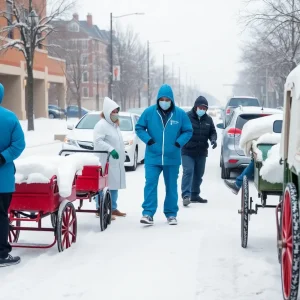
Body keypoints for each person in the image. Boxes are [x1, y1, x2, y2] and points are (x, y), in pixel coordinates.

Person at [135, 84, 193, 225]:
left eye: (167, 99)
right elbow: (139, 127)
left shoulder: (179, 114)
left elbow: (188, 130)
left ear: (172, 100)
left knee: (171, 186)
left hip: (172, 158)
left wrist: (179, 143)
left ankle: (171, 214)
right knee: (150, 184)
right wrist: (149, 141)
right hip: (153, 157)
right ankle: (148, 214)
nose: (165, 102)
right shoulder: (149, 112)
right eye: (162, 99)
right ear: (158, 100)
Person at [0, 83, 26, 267]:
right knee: (1, 215)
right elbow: (19, 144)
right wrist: (3, 157)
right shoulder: (10, 118)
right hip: (3, 179)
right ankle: (2, 254)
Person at [93, 97, 126, 219]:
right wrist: (111, 150)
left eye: (117, 112)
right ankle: (100, 208)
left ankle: (112, 208)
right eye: (113, 112)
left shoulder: (114, 125)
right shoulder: (101, 125)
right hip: (105, 160)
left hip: (114, 162)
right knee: (103, 185)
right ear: (107, 112)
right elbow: (98, 141)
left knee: (114, 184)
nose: (116, 114)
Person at [181, 96, 217, 206]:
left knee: (199, 174)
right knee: (188, 171)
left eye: (204, 108)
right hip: (187, 151)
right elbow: (180, 131)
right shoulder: (187, 117)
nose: (202, 110)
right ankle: (186, 195)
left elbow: (213, 132)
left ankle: (195, 195)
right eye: (200, 107)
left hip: (201, 152)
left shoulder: (208, 120)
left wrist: (213, 140)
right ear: (196, 107)